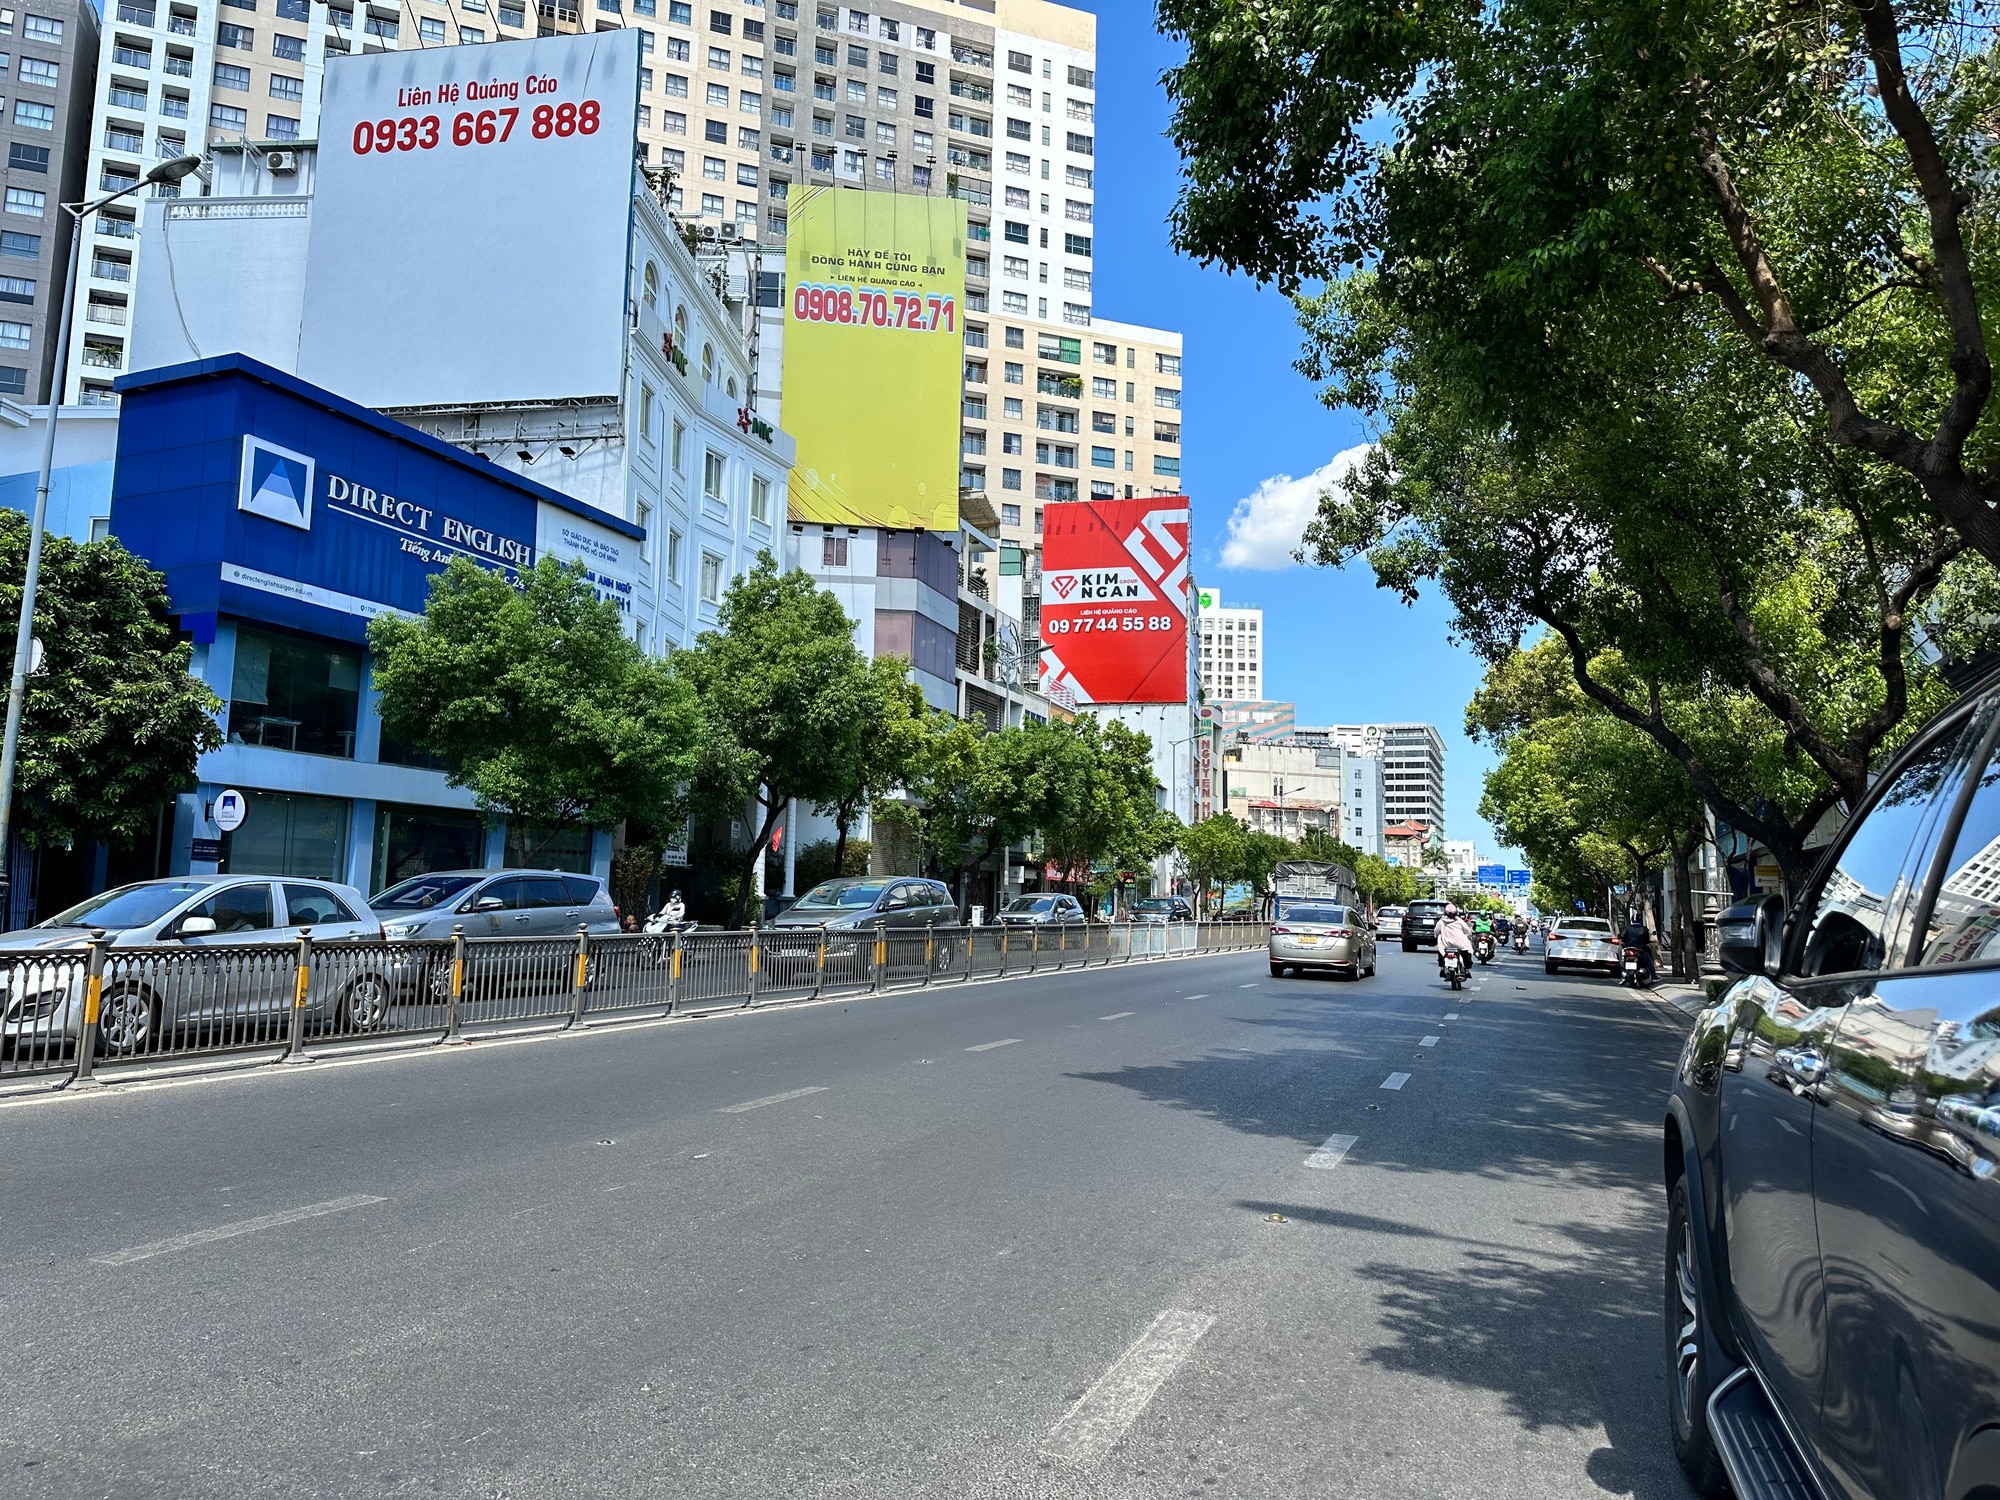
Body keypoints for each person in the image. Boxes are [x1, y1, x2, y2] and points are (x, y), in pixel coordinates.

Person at [1435, 903, 1474, 977]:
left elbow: (1436, 931)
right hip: (1460, 945)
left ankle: (1442, 968)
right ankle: (1467, 970)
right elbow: (1468, 932)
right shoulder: (1460, 921)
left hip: (1446, 945)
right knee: (1466, 953)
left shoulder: (1441, 922)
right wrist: (1469, 937)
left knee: (1440, 948)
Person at [1620, 911, 1656, 985]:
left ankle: (1623, 975)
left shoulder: (1628, 928)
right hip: (1641, 948)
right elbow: (1647, 939)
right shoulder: (1644, 929)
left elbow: (1622, 937)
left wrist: (1625, 943)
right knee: (1649, 962)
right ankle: (1654, 976)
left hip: (1629, 947)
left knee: (1622, 961)